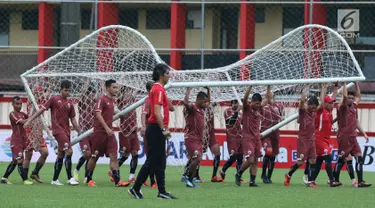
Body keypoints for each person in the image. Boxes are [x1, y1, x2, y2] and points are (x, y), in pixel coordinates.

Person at [128, 63, 177, 199]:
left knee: (160, 161)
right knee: (152, 160)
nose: (169, 75)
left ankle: (162, 191)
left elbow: (169, 108)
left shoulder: (158, 89)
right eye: (168, 73)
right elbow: (156, 112)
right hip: (156, 128)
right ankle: (135, 188)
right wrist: (163, 129)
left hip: (156, 128)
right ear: (162, 75)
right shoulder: (158, 89)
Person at [24, 80, 79, 186]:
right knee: (69, 151)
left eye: (69, 91)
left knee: (61, 154)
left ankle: (54, 180)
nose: (67, 92)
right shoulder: (54, 99)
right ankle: (70, 178)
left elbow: (73, 119)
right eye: (65, 90)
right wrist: (29, 120)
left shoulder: (70, 103)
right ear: (61, 89)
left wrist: (78, 130)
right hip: (58, 131)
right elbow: (41, 110)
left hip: (67, 131)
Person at [85, 79, 129, 187]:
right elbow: (98, 114)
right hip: (99, 132)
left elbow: (111, 110)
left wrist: (120, 113)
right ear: (108, 88)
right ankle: (89, 179)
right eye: (114, 87)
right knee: (94, 157)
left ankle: (117, 181)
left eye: (117, 87)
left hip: (109, 134)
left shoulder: (112, 101)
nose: (116, 90)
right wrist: (107, 128)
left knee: (114, 156)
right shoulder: (101, 99)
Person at [332, 82, 371, 188]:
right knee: (342, 158)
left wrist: (356, 83)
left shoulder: (354, 106)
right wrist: (345, 84)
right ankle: (334, 180)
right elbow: (344, 96)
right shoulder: (342, 107)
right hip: (344, 136)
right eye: (349, 98)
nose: (350, 99)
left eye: (351, 98)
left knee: (359, 157)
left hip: (353, 137)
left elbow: (358, 97)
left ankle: (360, 181)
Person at [302, 83, 341, 187]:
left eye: (333, 102)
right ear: (325, 103)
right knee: (327, 157)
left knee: (319, 161)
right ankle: (331, 180)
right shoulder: (320, 110)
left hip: (326, 139)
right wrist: (323, 88)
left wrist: (336, 87)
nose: (332, 104)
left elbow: (333, 96)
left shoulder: (329, 111)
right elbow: (323, 100)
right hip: (319, 139)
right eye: (330, 103)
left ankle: (312, 180)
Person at [235, 86, 270, 187]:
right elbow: (245, 99)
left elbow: (266, 99)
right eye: (256, 103)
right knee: (250, 159)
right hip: (247, 138)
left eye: (259, 103)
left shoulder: (259, 109)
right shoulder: (247, 108)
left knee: (255, 161)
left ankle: (252, 181)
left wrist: (268, 86)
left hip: (257, 138)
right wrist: (249, 87)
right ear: (252, 102)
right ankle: (238, 174)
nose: (258, 105)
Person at [284, 86, 319, 188]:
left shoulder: (313, 112)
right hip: (303, 140)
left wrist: (323, 88)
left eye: (315, 107)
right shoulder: (303, 112)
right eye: (312, 107)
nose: (314, 109)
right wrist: (304, 89)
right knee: (300, 162)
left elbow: (321, 102)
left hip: (311, 139)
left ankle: (311, 181)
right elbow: (302, 102)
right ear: (308, 105)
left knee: (313, 160)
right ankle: (289, 174)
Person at [180, 87, 209, 188]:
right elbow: (185, 102)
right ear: (199, 100)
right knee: (197, 159)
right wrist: (188, 89)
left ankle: (190, 180)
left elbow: (208, 102)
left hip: (199, 139)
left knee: (197, 159)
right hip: (191, 138)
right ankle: (188, 178)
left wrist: (208, 90)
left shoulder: (201, 109)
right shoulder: (192, 108)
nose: (206, 104)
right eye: (204, 101)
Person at [1, 96, 33, 185]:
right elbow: (23, 122)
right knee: (19, 160)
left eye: (20, 104)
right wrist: (32, 119)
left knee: (15, 161)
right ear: (12, 104)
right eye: (17, 104)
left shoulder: (23, 114)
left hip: (23, 140)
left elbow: (30, 118)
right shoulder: (12, 114)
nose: (19, 106)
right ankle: (25, 180)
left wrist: (35, 115)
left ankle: (4, 178)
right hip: (16, 140)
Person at [260, 86, 284, 184]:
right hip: (266, 132)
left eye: (271, 92)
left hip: (275, 132)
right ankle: (263, 174)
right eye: (268, 92)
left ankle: (269, 176)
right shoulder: (263, 105)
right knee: (268, 152)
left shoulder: (279, 106)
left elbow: (282, 118)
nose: (270, 94)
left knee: (273, 155)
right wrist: (268, 87)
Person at [74, 82, 96, 184]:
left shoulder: (95, 104)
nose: (90, 96)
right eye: (88, 94)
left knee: (91, 156)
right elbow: (82, 93)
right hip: (83, 132)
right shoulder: (82, 103)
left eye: (92, 94)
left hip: (92, 132)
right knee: (87, 154)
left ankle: (87, 176)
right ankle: (76, 170)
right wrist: (87, 81)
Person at [219, 99, 243, 182]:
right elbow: (230, 122)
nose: (236, 104)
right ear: (231, 103)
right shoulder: (227, 111)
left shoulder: (240, 113)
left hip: (240, 137)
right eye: (234, 103)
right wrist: (237, 111)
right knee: (233, 157)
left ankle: (239, 176)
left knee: (240, 157)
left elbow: (243, 123)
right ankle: (222, 171)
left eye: (237, 103)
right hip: (231, 138)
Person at [141, 80, 157, 188]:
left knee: (156, 157)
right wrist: (143, 126)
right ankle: (152, 181)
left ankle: (143, 178)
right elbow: (143, 114)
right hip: (150, 131)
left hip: (158, 131)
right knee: (151, 157)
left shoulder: (157, 100)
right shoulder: (148, 100)